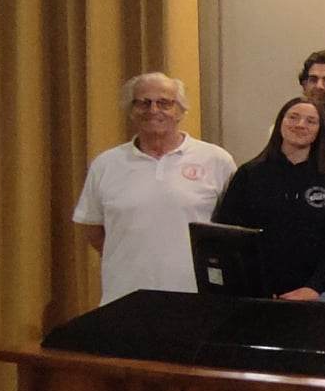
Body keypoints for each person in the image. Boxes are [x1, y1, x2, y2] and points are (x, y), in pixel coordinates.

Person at [72, 72, 235, 304]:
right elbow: (93, 229)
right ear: (131, 110)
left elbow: (231, 231)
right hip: (125, 297)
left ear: (180, 111)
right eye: (143, 102)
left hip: (198, 299)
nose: (153, 110)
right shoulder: (106, 164)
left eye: (164, 103)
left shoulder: (216, 160)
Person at [211, 96, 325, 300]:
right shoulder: (249, 174)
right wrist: (254, 283)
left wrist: (314, 287)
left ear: (320, 130)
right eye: (293, 117)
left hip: (314, 294)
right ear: (280, 123)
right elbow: (229, 234)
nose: (301, 125)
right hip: (256, 291)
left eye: (311, 121)